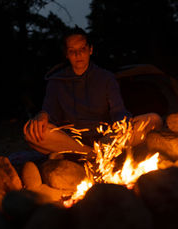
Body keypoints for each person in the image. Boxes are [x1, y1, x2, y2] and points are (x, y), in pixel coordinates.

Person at [23, 28, 163, 157]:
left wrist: (122, 123)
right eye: (72, 50)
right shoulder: (56, 81)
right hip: (73, 141)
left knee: (154, 119)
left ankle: (93, 154)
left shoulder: (106, 77)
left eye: (82, 49)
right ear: (67, 54)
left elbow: (118, 110)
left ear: (90, 50)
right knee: (30, 132)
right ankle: (92, 155)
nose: (78, 54)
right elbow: (50, 112)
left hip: (107, 139)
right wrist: (42, 115)